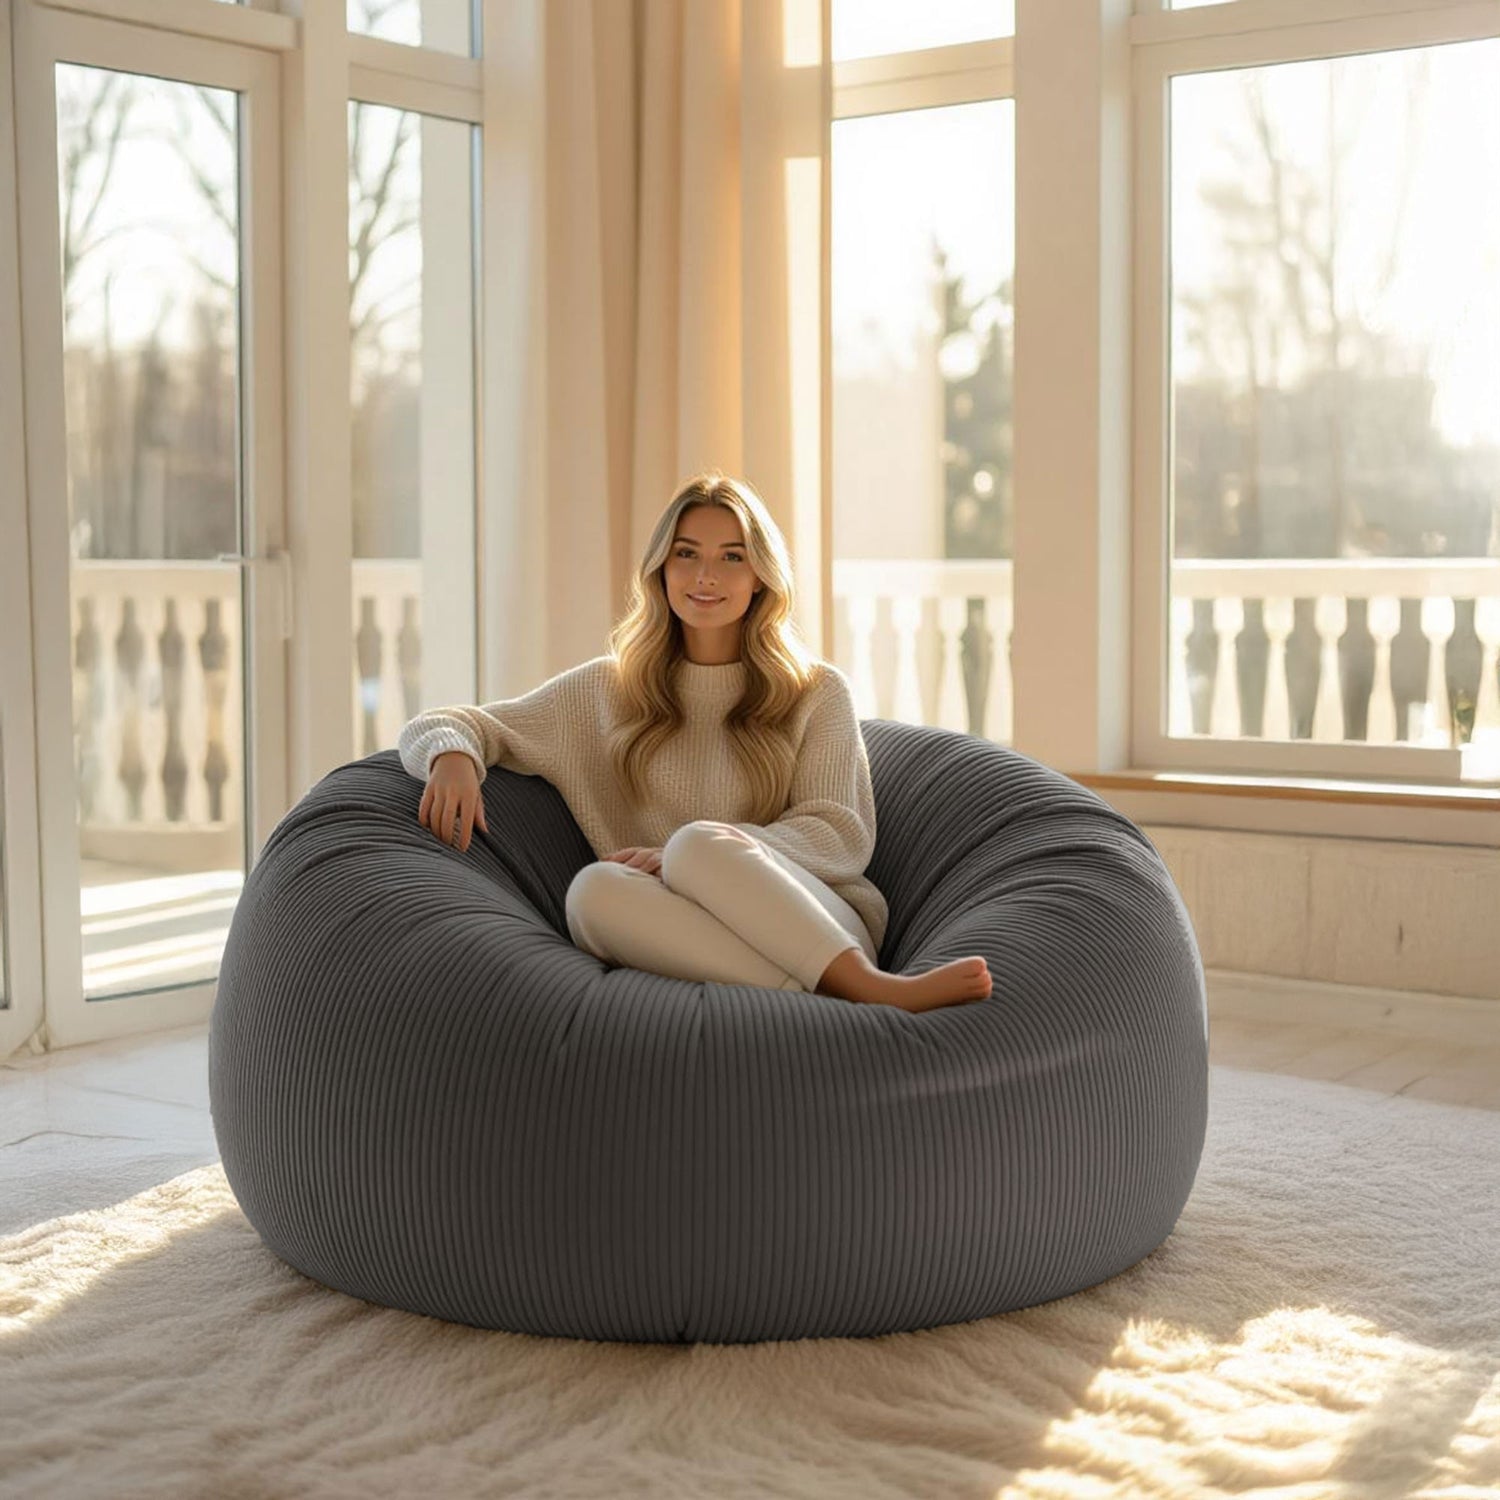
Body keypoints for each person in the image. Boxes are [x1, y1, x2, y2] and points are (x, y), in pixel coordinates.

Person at [398, 471, 991, 1013]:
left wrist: (689, 855)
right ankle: (831, 1007)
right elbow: (454, 722)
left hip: (821, 922)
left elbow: (840, 834)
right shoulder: (605, 690)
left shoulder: (815, 690)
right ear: (661, 569)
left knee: (697, 846)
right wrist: (452, 755)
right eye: (687, 554)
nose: (706, 576)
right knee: (591, 893)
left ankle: (865, 983)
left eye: (732, 557)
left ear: (760, 577)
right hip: (694, 931)